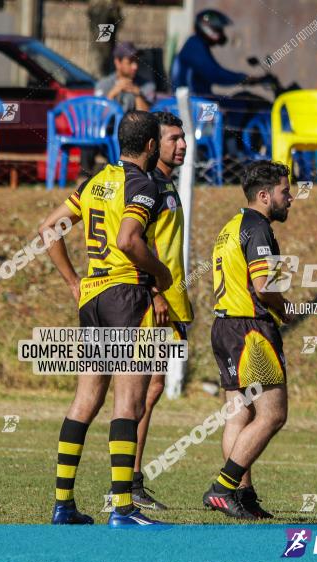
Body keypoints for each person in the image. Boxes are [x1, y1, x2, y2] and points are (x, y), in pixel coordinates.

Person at [39, 111, 171, 527]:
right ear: (151, 146)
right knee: (128, 402)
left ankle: (63, 505)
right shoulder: (143, 183)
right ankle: (123, 509)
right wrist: (162, 275)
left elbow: (48, 229)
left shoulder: (94, 182)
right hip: (127, 295)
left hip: (93, 296)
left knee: (85, 400)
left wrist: (73, 281)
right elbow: (128, 239)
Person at [201, 160, 293, 520]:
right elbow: (263, 287)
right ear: (265, 195)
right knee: (273, 415)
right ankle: (223, 488)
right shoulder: (257, 227)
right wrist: (284, 308)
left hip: (224, 327)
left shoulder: (231, 226)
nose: (290, 199)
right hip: (250, 330)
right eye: (286, 192)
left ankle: (243, 495)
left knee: (239, 415)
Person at [126, 111, 193, 511]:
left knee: (149, 392)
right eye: (172, 139)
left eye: (183, 138)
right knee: (142, 391)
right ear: (154, 142)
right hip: (156, 303)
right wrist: (156, 293)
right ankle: (128, 480)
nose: (181, 144)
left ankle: (131, 478)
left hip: (172, 303)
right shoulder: (148, 184)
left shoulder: (167, 182)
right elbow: (137, 245)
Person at [171, 9, 269, 94]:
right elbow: (216, 74)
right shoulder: (194, 44)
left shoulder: (197, 44)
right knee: (243, 108)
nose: (222, 34)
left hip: (199, 100)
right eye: (219, 30)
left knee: (243, 100)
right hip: (194, 105)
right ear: (209, 29)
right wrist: (244, 79)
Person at [95, 42, 156, 113]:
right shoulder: (103, 85)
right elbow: (98, 116)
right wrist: (113, 93)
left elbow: (147, 120)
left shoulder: (147, 85)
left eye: (136, 61)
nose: (135, 66)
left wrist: (138, 94)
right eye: (130, 62)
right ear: (117, 62)